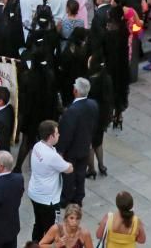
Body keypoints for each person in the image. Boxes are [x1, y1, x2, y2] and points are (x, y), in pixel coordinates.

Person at [27, 120, 72, 241]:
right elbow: (69, 169)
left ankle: (35, 244)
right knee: (52, 229)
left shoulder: (37, 146)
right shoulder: (52, 156)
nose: (59, 135)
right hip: (49, 200)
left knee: (38, 224)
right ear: (51, 136)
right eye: (57, 133)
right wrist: (66, 162)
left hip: (35, 193)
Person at [56, 78, 98, 206]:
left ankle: (66, 198)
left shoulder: (72, 111)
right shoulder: (93, 104)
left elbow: (67, 133)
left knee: (69, 175)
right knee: (80, 173)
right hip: (85, 146)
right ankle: (79, 197)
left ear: (75, 91)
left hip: (72, 149)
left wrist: (61, 150)